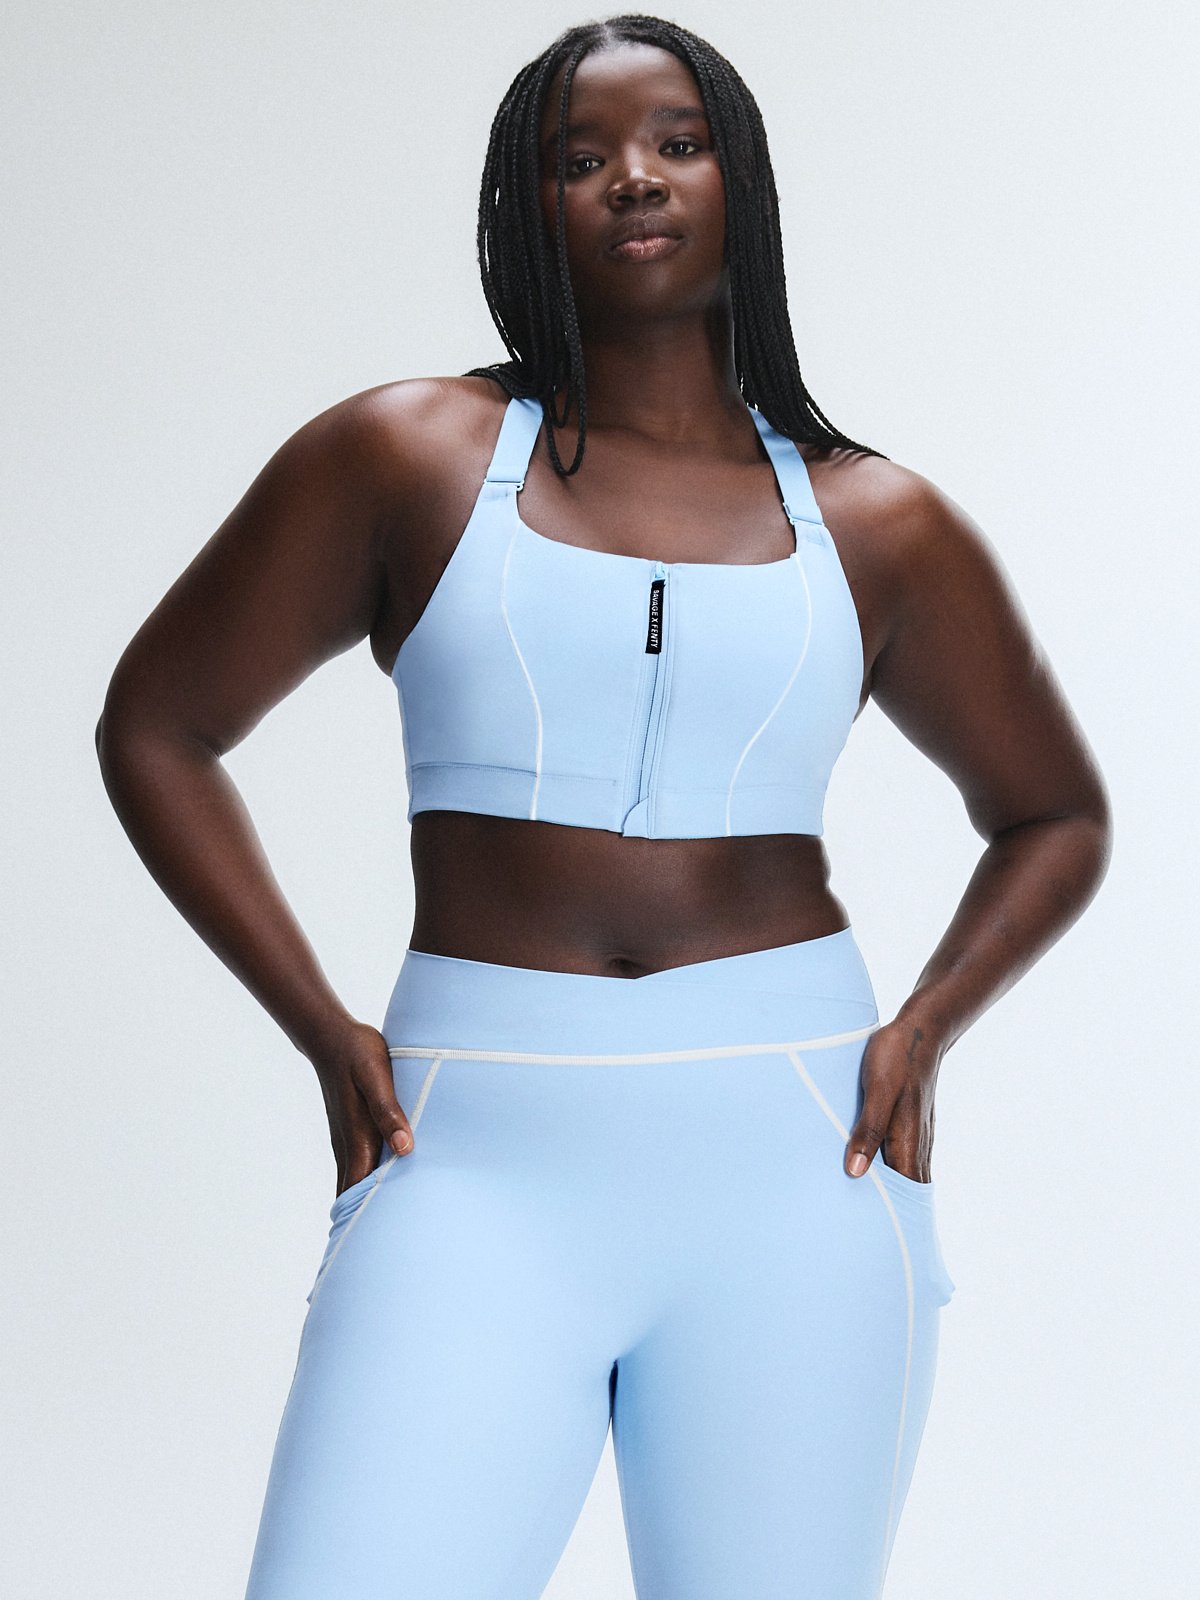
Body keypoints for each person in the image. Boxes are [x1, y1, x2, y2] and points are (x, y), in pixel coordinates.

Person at [95, 14, 1112, 1600]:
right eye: (582, 157)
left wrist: (926, 1027)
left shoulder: (878, 520)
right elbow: (158, 727)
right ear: (528, 206)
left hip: (798, 1167)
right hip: (471, 1149)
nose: (635, 176)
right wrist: (319, 1026)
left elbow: (1053, 811)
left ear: (739, 182)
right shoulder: (408, 455)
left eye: (678, 143)